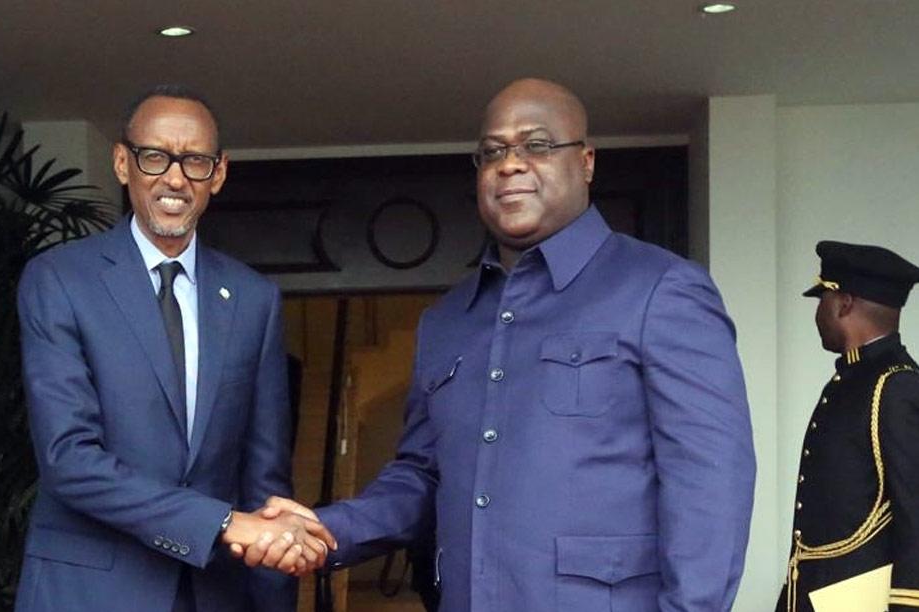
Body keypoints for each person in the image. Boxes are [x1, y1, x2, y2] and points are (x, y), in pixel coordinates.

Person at [250, 78, 756, 611]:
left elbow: (711, 482)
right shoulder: (447, 321)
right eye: (492, 152)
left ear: (585, 162)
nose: (510, 164)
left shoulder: (659, 290)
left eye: (536, 145)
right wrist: (326, 529)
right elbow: (422, 478)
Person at [14, 85, 333, 612]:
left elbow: (264, 473)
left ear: (219, 174)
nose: (175, 178)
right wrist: (222, 523)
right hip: (91, 594)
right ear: (122, 163)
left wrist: (275, 593)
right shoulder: (61, 281)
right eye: (155, 157)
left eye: (195, 161)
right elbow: (67, 458)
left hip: (214, 593)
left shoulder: (253, 299)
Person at [777, 241, 919, 612]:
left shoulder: (895, 386)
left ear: (844, 303)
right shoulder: (853, 380)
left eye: (822, 299)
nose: (818, 313)